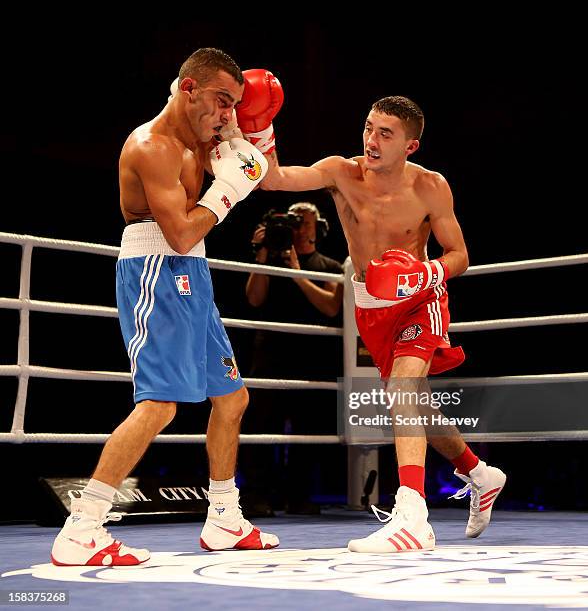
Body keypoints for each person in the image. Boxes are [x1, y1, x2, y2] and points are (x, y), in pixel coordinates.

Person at [50, 48, 280, 566]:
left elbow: (265, 175)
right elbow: (179, 233)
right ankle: (82, 528)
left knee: (231, 397)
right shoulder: (153, 146)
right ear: (188, 88)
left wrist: (255, 138)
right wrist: (225, 192)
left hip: (192, 274)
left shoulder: (202, 141)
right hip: (157, 267)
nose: (228, 115)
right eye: (223, 101)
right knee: (160, 404)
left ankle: (223, 517)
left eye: (236, 105)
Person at [257, 94, 507, 553]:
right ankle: (479, 472)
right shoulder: (341, 172)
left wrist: (424, 272)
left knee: (401, 392)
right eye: (369, 127)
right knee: (417, 407)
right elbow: (273, 179)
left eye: (385, 133)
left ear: (410, 146)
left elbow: (460, 255)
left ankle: (412, 516)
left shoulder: (431, 187)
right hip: (369, 305)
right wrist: (259, 130)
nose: (371, 140)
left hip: (419, 299)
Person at [245, 202, 343, 512]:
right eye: (292, 222)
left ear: (318, 227)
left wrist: (298, 274)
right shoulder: (270, 261)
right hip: (271, 352)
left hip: (311, 356)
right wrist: (261, 252)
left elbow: (331, 307)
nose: (298, 227)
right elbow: (254, 298)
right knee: (262, 426)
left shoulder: (330, 266)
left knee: (307, 428)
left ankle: (298, 495)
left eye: (304, 222)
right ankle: (258, 494)